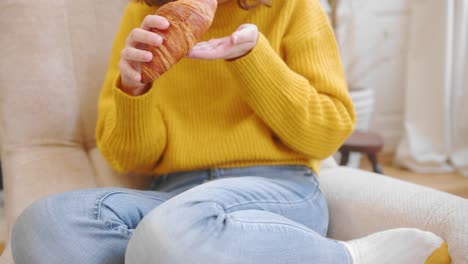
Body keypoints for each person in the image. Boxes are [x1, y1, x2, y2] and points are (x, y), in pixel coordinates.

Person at [10, 0, 448, 263]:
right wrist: (134, 87)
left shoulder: (291, 7)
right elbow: (129, 157)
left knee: (169, 234)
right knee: (43, 224)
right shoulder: (147, 16)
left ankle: (350, 257)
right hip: (173, 195)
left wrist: (253, 59)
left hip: (279, 188)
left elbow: (327, 132)